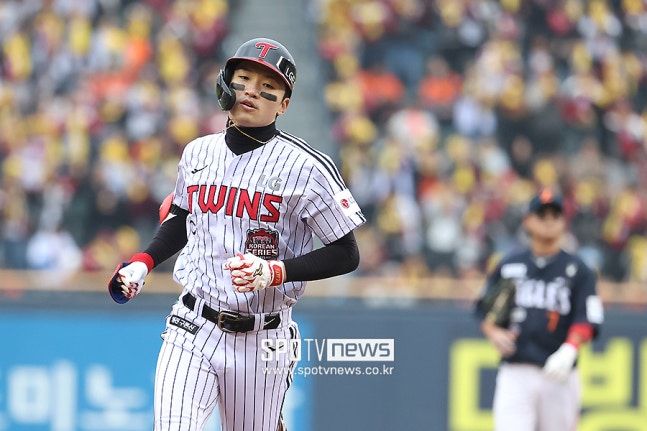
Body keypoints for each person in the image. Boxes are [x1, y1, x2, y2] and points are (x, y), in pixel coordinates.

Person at [107, 37, 365, 431]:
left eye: (268, 87)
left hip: (263, 335)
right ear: (226, 84)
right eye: (243, 79)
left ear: (284, 105)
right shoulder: (197, 152)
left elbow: (347, 253)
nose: (251, 91)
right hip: (193, 324)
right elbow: (180, 219)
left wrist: (276, 272)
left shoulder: (307, 167)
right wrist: (143, 262)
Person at [475, 189, 604, 431]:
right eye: (542, 214)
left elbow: (589, 318)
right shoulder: (511, 264)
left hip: (558, 373)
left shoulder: (579, 270)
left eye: (555, 215)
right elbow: (484, 308)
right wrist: (493, 331)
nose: (548, 220)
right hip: (516, 370)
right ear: (528, 220)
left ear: (564, 222)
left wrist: (570, 348)